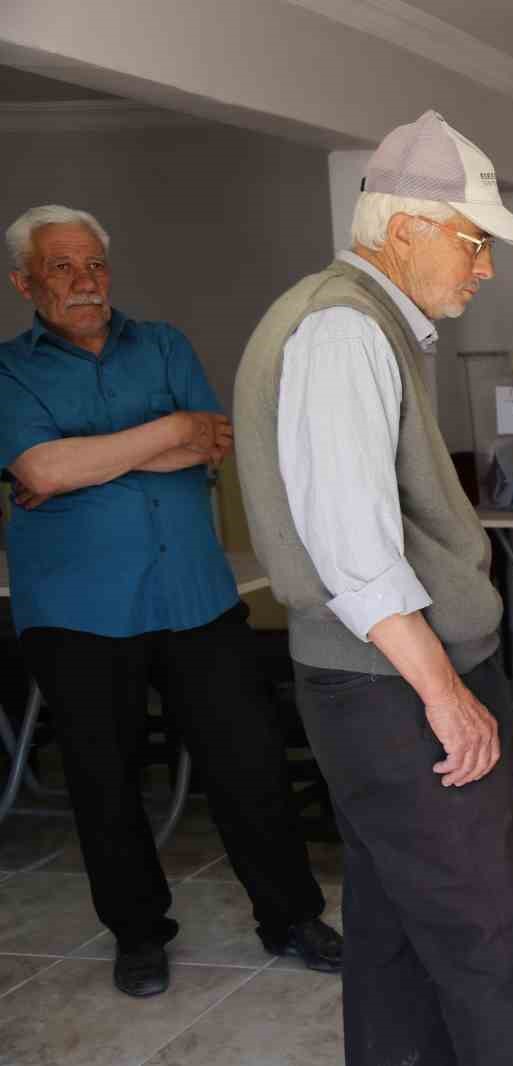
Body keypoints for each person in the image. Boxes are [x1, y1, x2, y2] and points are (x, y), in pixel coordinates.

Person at [233, 112, 513, 1066]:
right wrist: (445, 694)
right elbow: (354, 553)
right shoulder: (342, 331)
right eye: (474, 242)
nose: (484, 266)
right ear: (407, 226)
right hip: (392, 690)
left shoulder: (357, 318)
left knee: (393, 945)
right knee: (495, 943)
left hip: (374, 688)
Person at [0, 204, 339, 998]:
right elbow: (40, 472)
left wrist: (93, 457)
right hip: (78, 611)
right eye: (62, 268)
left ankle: (290, 917)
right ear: (25, 282)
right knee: (104, 781)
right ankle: (139, 935)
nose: (85, 283)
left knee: (249, 765)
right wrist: (162, 432)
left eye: (95, 265)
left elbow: (208, 442)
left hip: (195, 594)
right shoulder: (8, 370)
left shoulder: (162, 344)